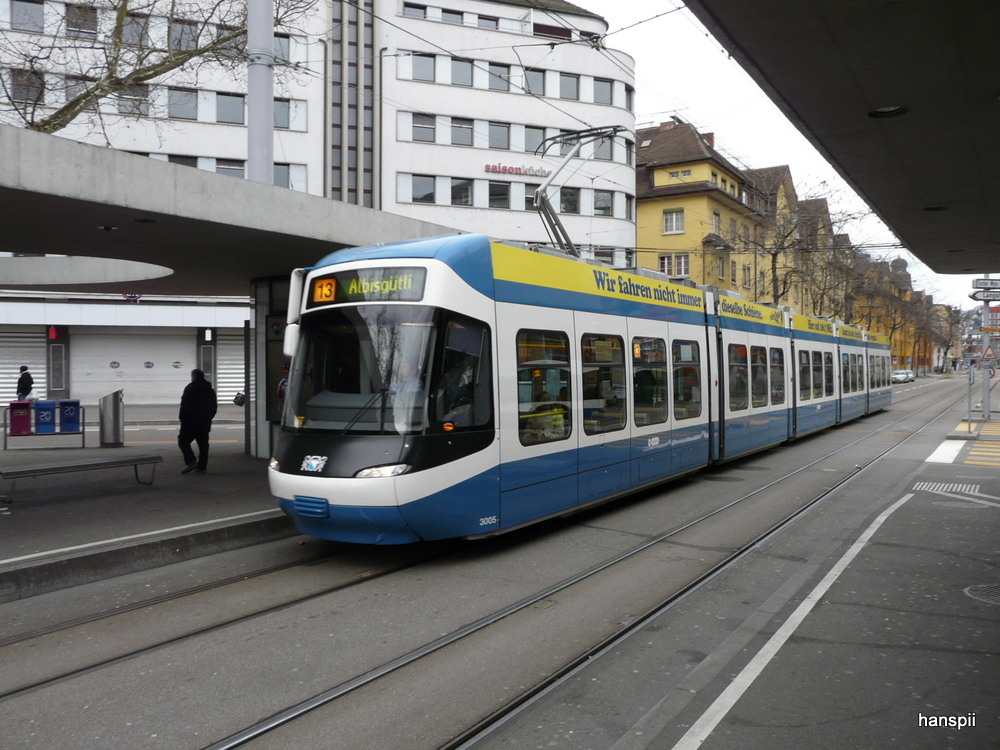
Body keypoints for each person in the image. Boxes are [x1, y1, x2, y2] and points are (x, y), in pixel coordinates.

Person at [178, 369, 217, 474]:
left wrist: (182, 419)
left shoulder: (190, 388)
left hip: (190, 422)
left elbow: (185, 405)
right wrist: (208, 417)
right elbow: (214, 406)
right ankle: (202, 467)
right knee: (203, 445)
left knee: (183, 441)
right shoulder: (210, 390)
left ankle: (191, 461)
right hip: (204, 422)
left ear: (193, 376)